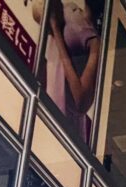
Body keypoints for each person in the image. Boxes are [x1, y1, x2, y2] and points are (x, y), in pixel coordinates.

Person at [42, 0, 101, 143]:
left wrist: (56, 30)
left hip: (67, 129)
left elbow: (81, 101)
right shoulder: (70, 10)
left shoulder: (95, 41)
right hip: (49, 114)